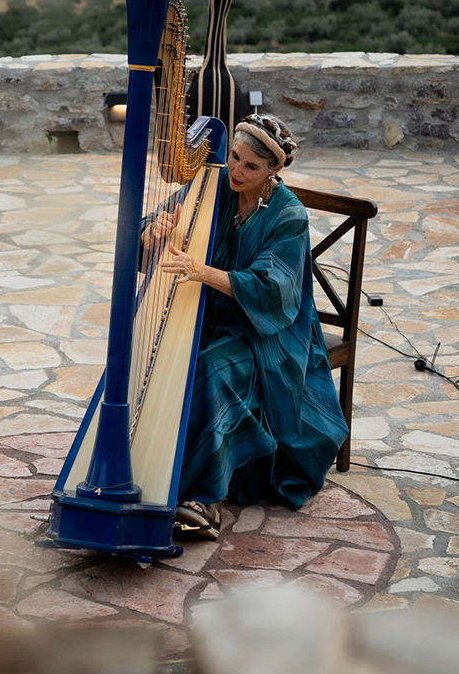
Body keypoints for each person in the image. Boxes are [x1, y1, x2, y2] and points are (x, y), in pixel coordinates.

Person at [145, 114, 349, 539]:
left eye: (251, 166)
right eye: (235, 157)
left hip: (270, 333)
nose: (236, 170)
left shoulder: (288, 214)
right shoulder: (213, 185)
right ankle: (154, 462)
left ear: (273, 171)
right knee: (154, 354)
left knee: (211, 369)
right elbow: (156, 221)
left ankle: (203, 498)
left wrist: (202, 272)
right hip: (208, 314)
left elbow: (273, 290)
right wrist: (153, 231)